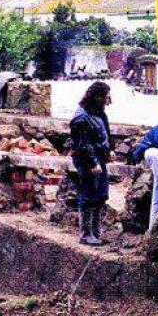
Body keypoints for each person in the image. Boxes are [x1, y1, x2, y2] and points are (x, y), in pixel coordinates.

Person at [70, 81, 112, 246]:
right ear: (97, 97)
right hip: (88, 160)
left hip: (98, 157)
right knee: (88, 194)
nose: (109, 100)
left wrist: (109, 150)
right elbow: (83, 144)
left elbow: (104, 133)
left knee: (100, 195)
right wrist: (93, 163)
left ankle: (95, 233)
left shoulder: (98, 113)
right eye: (106, 96)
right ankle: (86, 234)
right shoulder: (81, 117)